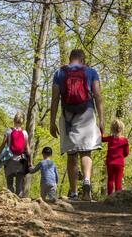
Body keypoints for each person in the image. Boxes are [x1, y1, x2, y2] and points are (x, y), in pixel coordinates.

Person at [50, 49, 104, 201]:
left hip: (68, 115)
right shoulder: (91, 72)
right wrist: (101, 120)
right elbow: (98, 96)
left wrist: (52, 122)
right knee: (86, 152)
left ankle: (74, 193)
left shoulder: (59, 73)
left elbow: (55, 99)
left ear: (70, 58)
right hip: (87, 113)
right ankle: (86, 183)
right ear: (83, 59)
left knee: (71, 154)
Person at [0, 111, 31, 197]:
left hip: (9, 161)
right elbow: (28, 149)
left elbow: (2, 146)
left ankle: (10, 203)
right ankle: (20, 206)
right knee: (19, 188)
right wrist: (30, 162)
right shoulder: (25, 133)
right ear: (22, 122)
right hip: (21, 162)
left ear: (13, 120)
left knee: (10, 185)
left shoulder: (8, 131)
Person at [101, 119, 129, 195]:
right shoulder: (124, 140)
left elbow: (101, 139)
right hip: (119, 164)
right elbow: (126, 153)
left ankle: (110, 196)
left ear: (112, 129)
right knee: (118, 181)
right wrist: (121, 156)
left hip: (110, 163)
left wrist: (101, 129)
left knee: (110, 180)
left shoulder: (110, 138)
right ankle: (118, 197)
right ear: (122, 129)